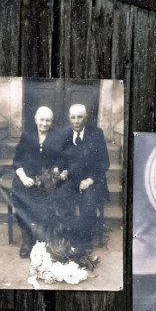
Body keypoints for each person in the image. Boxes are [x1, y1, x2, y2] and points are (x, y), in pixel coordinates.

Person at [51, 103, 110, 252]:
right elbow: (60, 158)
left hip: (92, 180)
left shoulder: (96, 134)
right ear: (69, 118)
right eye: (73, 117)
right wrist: (60, 169)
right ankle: (70, 237)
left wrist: (90, 180)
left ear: (86, 118)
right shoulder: (65, 134)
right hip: (71, 179)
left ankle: (84, 242)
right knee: (62, 197)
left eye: (80, 117)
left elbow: (104, 163)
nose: (76, 121)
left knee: (88, 203)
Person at [11, 106, 60, 258]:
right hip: (25, 179)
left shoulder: (56, 137)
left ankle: (40, 240)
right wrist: (24, 178)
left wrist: (53, 174)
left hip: (45, 181)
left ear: (51, 122)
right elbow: (17, 162)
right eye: (42, 120)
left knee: (47, 205)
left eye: (48, 120)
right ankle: (27, 240)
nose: (44, 123)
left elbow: (59, 160)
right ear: (36, 120)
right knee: (20, 203)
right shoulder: (27, 135)